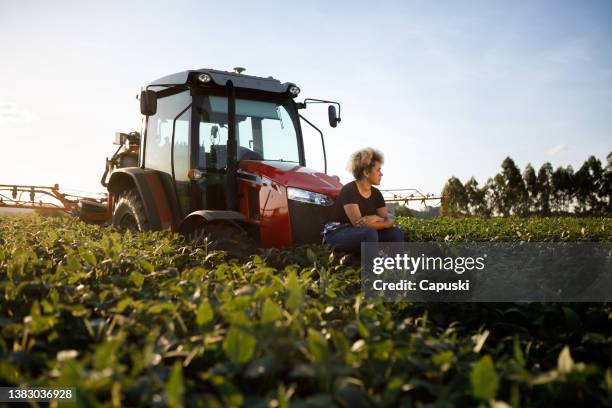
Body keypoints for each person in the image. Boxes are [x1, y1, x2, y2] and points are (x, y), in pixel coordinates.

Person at [322, 147, 404, 255]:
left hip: (364, 232)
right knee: (368, 233)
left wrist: (376, 218)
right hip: (337, 233)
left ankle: (396, 268)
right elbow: (359, 224)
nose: (381, 174)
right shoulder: (349, 189)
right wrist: (384, 222)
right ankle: (372, 269)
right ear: (366, 172)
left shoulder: (376, 193)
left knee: (396, 232)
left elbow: (387, 220)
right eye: (378, 170)